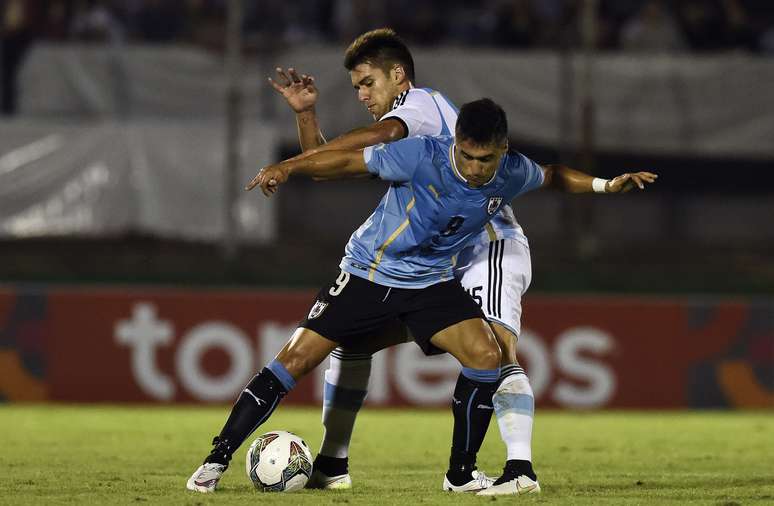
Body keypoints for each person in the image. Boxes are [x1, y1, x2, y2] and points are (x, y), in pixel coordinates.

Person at [185, 97, 657, 494]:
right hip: (370, 272)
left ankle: (461, 475)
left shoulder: (510, 172)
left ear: (503, 151)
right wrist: (288, 167)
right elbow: (348, 161)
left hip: (430, 282)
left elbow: (551, 174)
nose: (474, 169)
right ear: (455, 143)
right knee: (295, 359)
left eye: (485, 160)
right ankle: (216, 460)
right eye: (467, 157)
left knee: (486, 355)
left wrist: (604, 184)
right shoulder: (421, 155)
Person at [267, 27, 543, 495]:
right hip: (433, 253)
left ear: (398, 76)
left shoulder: (416, 105)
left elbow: (374, 137)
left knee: (496, 348)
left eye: (367, 83)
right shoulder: (408, 114)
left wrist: (290, 165)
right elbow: (325, 166)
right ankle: (333, 462)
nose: (362, 95)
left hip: (483, 239)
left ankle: (520, 469)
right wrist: (308, 117)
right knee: (351, 342)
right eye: (356, 87)